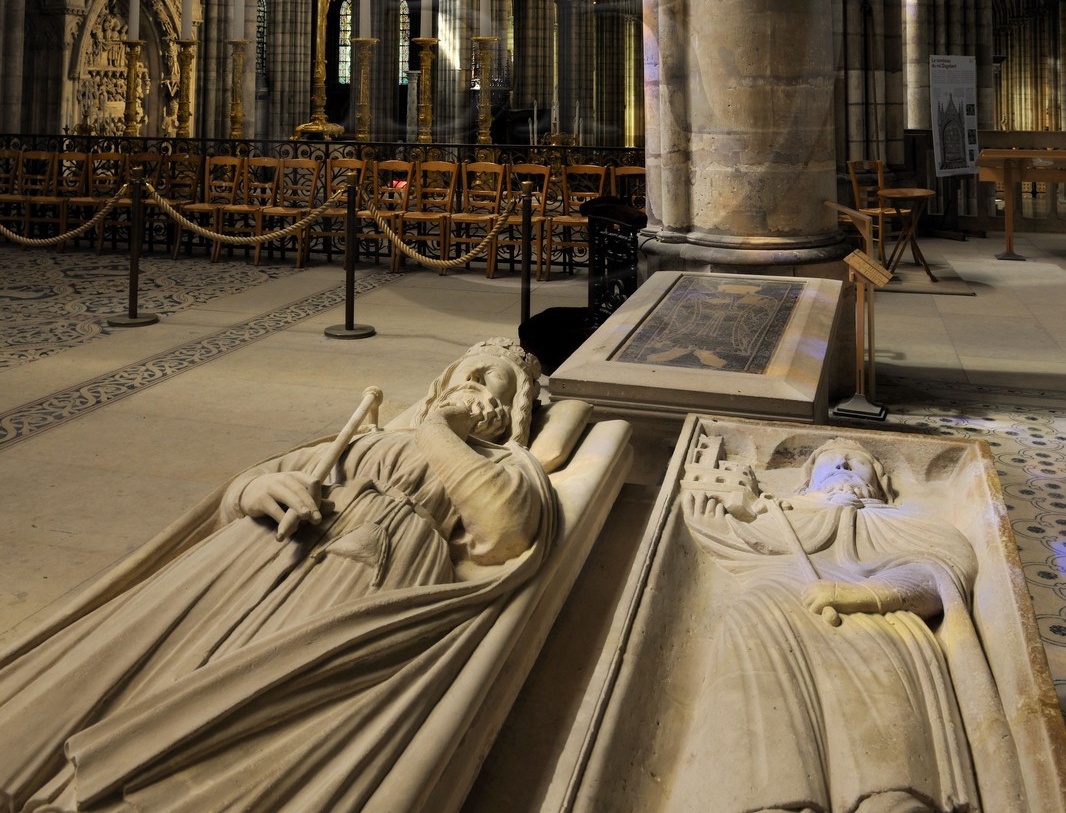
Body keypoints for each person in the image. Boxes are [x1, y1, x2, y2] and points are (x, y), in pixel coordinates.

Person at [0, 340, 552, 813]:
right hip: (266, 542)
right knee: (149, 655)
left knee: (240, 689)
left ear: (512, 402)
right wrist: (256, 491)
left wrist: (438, 427)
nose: (475, 377)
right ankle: (36, 768)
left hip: (369, 562)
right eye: (467, 368)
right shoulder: (368, 437)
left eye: (493, 375)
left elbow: (501, 528)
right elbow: (254, 483)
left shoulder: (503, 463)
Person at [680, 440, 1027, 813]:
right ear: (808, 480)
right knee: (755, 610)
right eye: (829, 461)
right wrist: (714, 524)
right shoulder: (780, 516)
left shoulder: (908, 522)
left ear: (880, 481)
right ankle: (771, 799)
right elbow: (744, 545)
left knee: (881, 642)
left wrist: (861, 594)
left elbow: (944, 571)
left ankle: (890, 797)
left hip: (881, 620)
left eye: (856, 461)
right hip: (779, 611)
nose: (843, 465)